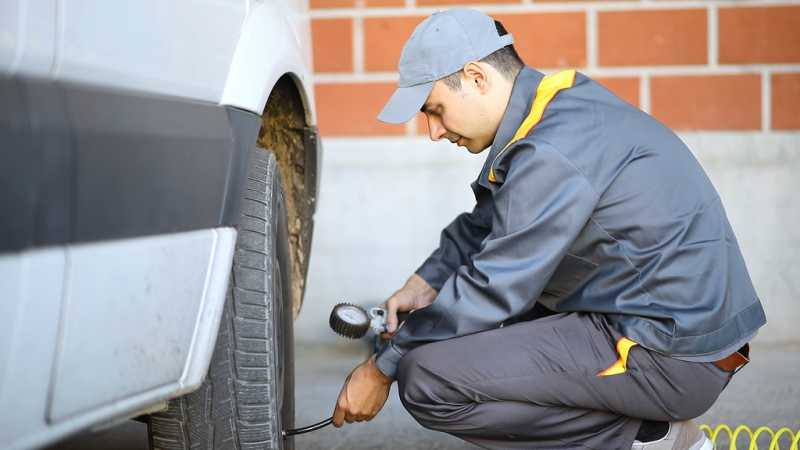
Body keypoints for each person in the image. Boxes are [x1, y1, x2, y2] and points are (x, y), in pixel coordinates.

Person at [331, 8, 766, 450]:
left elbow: (495, 285)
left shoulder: (552, 147)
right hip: (664, 328)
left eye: (436, 110)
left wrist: (381, 366)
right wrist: (425, 283)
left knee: (427, 379)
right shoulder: (555, 107)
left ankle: (652, 439)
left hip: (669, 355)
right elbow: (491, 224)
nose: (434, 131)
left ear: (476, 77)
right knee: (461, 335)